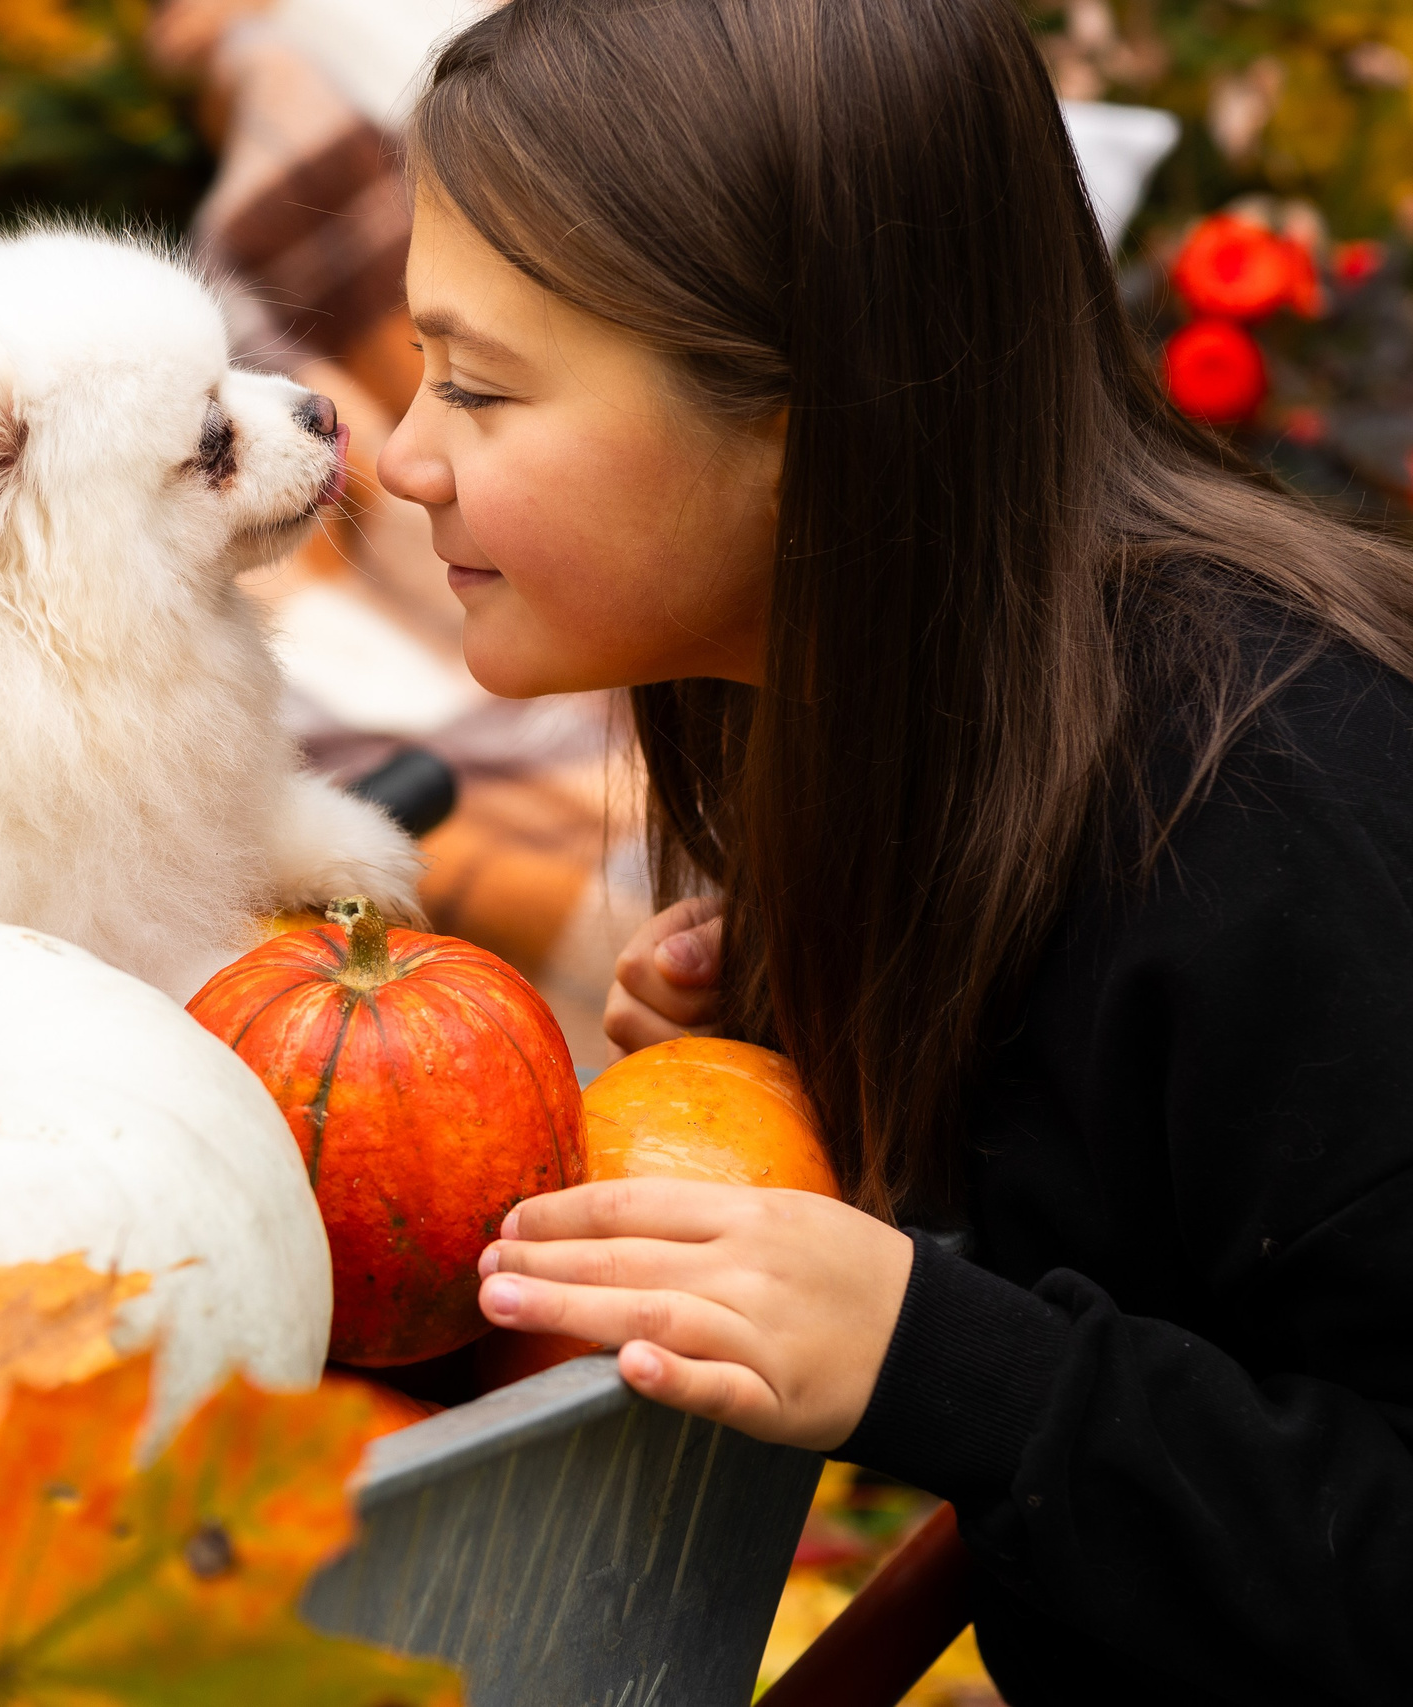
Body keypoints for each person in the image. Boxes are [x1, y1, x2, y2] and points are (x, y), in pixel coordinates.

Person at [373, 2, 1413, 1702]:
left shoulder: (1281, 813)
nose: (407, 454)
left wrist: (947, 1359)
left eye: (480, 386)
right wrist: (832, 1105)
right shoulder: (872, 718)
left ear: (804, 416)